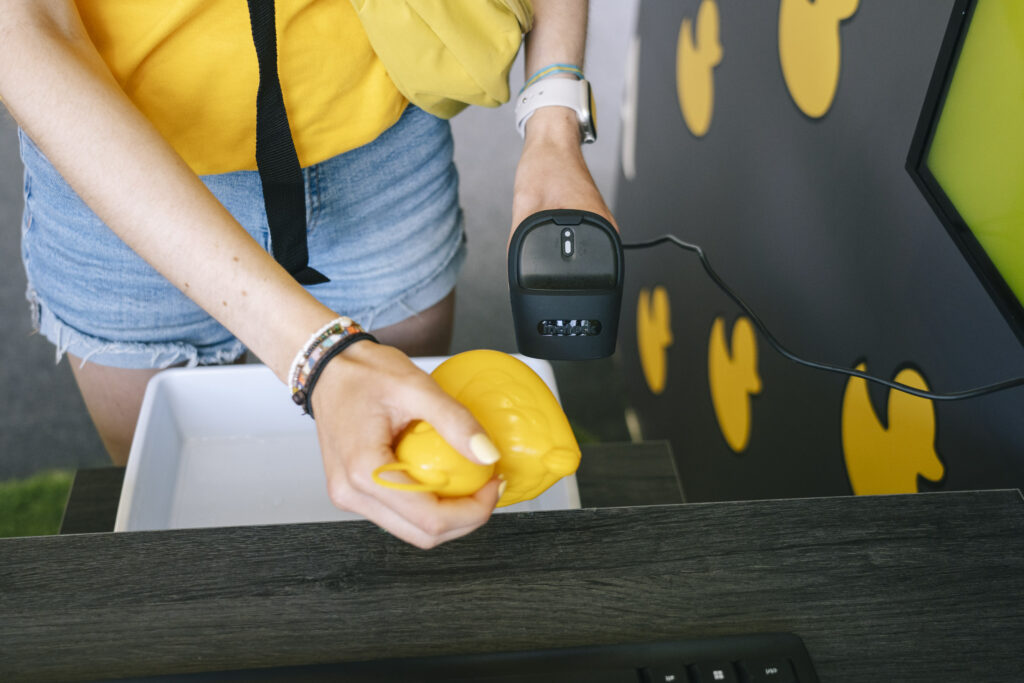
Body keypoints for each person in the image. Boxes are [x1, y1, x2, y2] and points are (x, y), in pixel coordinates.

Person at [0, 0, 614, 549]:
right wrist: (319, 356)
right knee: (173, 527)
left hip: (378, 147)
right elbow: (25, 26)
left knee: (403, 505)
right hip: (117, 176)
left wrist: (553, 122)